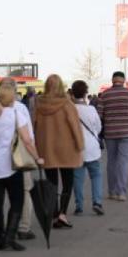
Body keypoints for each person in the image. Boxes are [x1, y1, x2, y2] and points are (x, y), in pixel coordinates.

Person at [0, 84, 42, 250]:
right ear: (12, 97)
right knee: (17, 201)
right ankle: (10, 237)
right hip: (11, 165)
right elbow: (27, 140)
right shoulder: (16, 113)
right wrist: (37, 158)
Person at [33, 74, 84, 228]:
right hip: (66, 148)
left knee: (51, 182)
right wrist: (80, 145)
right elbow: (75, 126)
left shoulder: (39, 104)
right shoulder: (67, 104)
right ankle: (62, 214)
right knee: (68, 182)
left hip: (46, 148)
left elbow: (33, 125)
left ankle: (54, 213)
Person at [97, 71, 128, 201]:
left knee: (111, 162)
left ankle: (111, 191)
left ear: (112, 80)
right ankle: (121, 192)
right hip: (126, 132)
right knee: (123, 162)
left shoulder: (104, 95)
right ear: (123, 80)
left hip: (110, 133)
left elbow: (99, 116)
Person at [71, 81, 104, 216]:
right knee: (96, 176)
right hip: (92, 148)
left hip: (76, 149)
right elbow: (98, 127)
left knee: (78, 178)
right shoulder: (91, 109)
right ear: (85, 93)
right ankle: (97, 202)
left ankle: (79, 206)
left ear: (72, 93)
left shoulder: (70, 110)